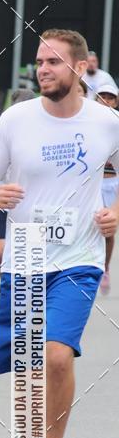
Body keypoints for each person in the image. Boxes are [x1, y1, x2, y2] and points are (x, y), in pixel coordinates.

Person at [0, 28, 119, 438]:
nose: (43, 69)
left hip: (80, 257)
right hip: (27, 256)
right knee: (30, 374)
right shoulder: (16, 119)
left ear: (80, 68)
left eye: (54, 62)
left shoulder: (106, 122)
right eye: (39, 61)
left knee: (57, 358)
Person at [0, 89, 36, 275]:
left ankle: (19, 287)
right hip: (3, 196)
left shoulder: (39, 130)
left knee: (30, 253)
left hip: (31, 199)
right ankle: (5, 281)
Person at [96, 82, 119, 293]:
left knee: (108, 232)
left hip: (113, 185)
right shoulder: (89, 125)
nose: (106, 100)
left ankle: (105, 268)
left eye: (110, 97)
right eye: (101, 96)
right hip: (93, 185)